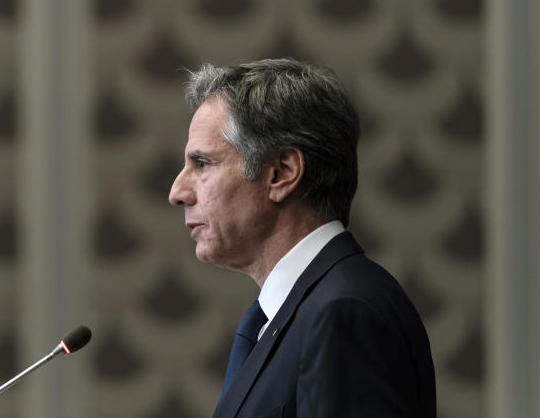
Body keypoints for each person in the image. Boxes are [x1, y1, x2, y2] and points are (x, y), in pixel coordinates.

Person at [168, 59, 435, 418]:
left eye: (202, 164)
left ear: (282, 173)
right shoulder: (299, 312)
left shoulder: (344, 311)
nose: (177, 192)